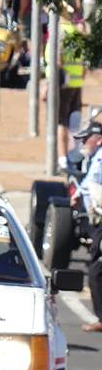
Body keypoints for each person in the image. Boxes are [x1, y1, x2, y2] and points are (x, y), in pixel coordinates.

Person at [42, 7, 84, 168]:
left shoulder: (60, 32)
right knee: (74, 123)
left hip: (62, 83)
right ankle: (75, 157)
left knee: (61, 122)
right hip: (76, 82)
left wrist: (49, 85)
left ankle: (62, 159)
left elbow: (57, 60)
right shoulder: (76, 32)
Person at [73, 121, 102, 331]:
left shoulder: (101, 158)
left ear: (98, 139)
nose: (84, 143)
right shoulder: (95, 158)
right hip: (95, 222)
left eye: (87, 139)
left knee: (96, 270)